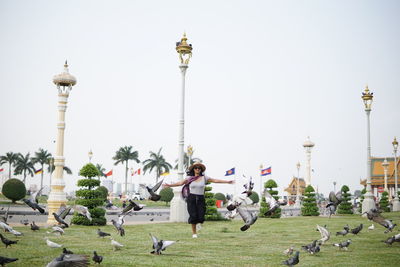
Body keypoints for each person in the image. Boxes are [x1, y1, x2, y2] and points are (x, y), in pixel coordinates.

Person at [163, 162, 234, 238]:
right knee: (193, 216)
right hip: (191, 198)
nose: (197, 169)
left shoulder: (204, 178)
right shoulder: (189, 178)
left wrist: (227, 182)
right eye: (196, 168)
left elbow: (215, 180)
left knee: (201, 216)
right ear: (193, 169)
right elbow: (180, 183)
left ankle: (198, 224)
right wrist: (170, 185)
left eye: (199, 168)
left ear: (201, 170)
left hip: (200, 198)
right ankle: (194, 233)